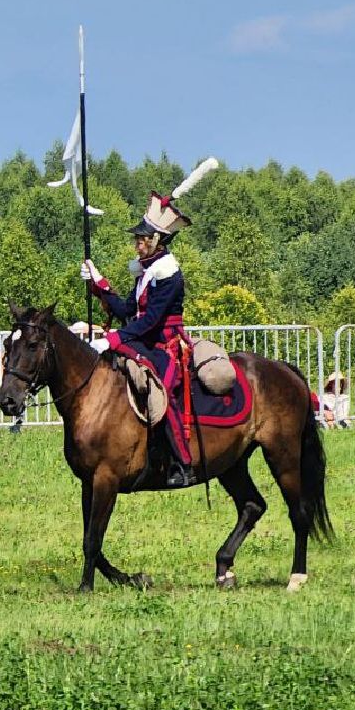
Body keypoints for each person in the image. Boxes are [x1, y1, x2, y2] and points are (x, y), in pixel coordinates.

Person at [80, 157, 218, 487]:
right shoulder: (146, 272)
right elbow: (129, 310)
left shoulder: (169, 274)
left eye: (141, 239)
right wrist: (100, 284)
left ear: (156, 240)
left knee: (160, 391)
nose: (136, 243)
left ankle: (183, 463)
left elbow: (152, 321)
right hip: (144, 339)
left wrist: (111, 340)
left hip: (166, 345)